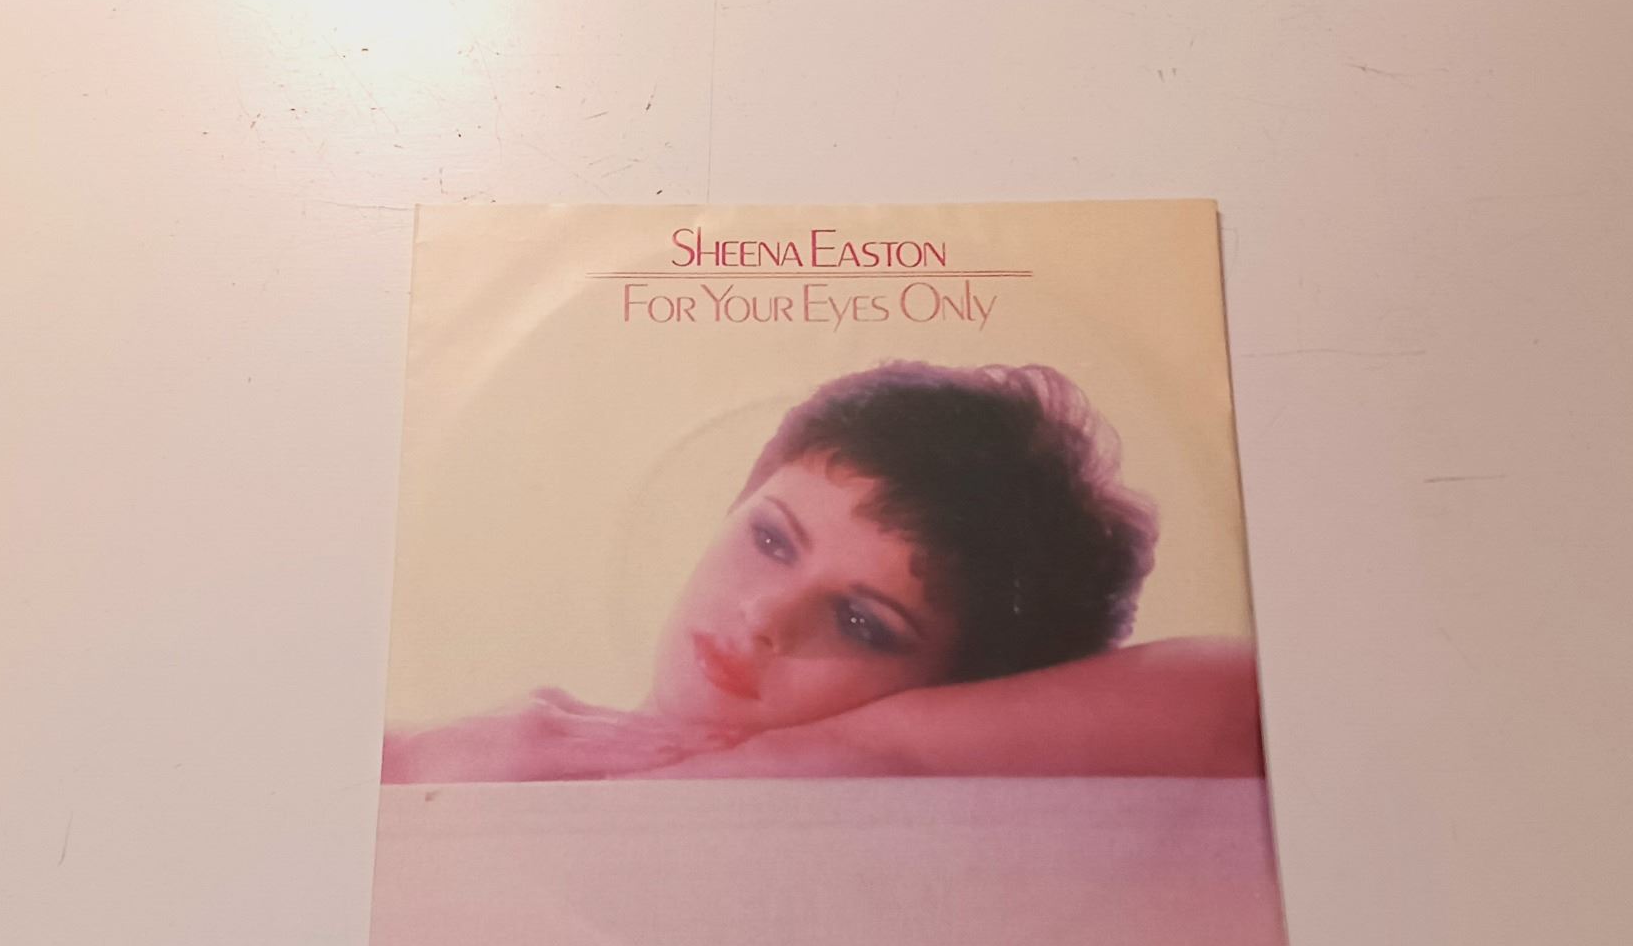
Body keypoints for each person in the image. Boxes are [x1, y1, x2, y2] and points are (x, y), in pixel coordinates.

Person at [381, 360, 1264, 783]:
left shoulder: (883, 813)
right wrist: (416, 761)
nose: (767, 618)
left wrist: (848, 751)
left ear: (967, 697)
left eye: (862, 623)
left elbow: (1242, 700)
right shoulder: (462, 753)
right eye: (771, 539)